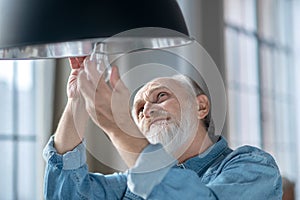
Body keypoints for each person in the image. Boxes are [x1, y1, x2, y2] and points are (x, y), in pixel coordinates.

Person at [43, 56, 282, 199]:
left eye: (161, 96)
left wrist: (121, 130)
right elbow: (68, 194)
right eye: (138, 110)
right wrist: (77, 100)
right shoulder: (128, 184)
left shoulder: (255, 166)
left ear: (201, 106)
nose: (147, 110)